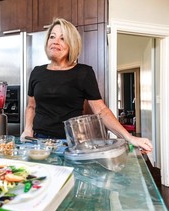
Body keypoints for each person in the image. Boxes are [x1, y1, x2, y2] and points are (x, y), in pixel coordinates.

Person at [20, 18, 153, 152]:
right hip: (39, 141)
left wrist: (129, 138)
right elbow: (31, 106)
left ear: (72, 44)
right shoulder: (37, 72)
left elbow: (101, 110)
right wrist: (27, 129)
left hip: (70, 143)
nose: (55, 41)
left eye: (62, 38)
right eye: (52, 37)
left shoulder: (83, 73)